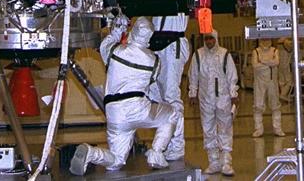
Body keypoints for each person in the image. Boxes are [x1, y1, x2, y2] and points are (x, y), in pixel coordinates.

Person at [70, 16, 182, 175]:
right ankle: (156, 153)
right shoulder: (154, 60)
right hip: (139, 108)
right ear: (149, 37)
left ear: (133, 31)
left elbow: (105, 44)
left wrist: (118, 29)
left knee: (116, 161)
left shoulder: (115, 51)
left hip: (114, 113)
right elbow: (152, 80)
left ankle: (92, 153)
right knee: (172, 113)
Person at [189, 30, 238, 176]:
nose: (209, 41)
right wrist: (192, 93)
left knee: (225, 128)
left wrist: (233, 94)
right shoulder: (198, 55)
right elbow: (193, 75)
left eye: (211, 39)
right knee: (208, 129)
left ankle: (226, 163)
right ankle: (214, 162)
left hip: (223, 98)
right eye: (207, 39)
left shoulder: (224, 54)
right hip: (205, 99)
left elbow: (231, 76)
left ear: (216, 39)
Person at [149, 13, 190, 162]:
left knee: (171, 96)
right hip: (157, 44)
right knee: (157, 98)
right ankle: (164, 142)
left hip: (173, 43)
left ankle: (177, 145)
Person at [251, 38, 284, 137]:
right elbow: (255, 65)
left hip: (272, 82)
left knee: (275, 105)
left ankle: (277, 128)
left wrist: (263, 61)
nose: (265, 41)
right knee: (258, 105)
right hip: (259, 82)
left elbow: (276, 62)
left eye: (267, 39)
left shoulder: (275, 51)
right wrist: (270, 63)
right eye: (263, 39)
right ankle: (258, 129)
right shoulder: (256, 52)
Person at [277, 38, 295, 103]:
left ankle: (282, 94)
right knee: (289, 80)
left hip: (279, 64)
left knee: (281, 80)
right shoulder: (286, 42)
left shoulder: (278, 42)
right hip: (285, 65)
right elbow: (290, 49)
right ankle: (283, 94)